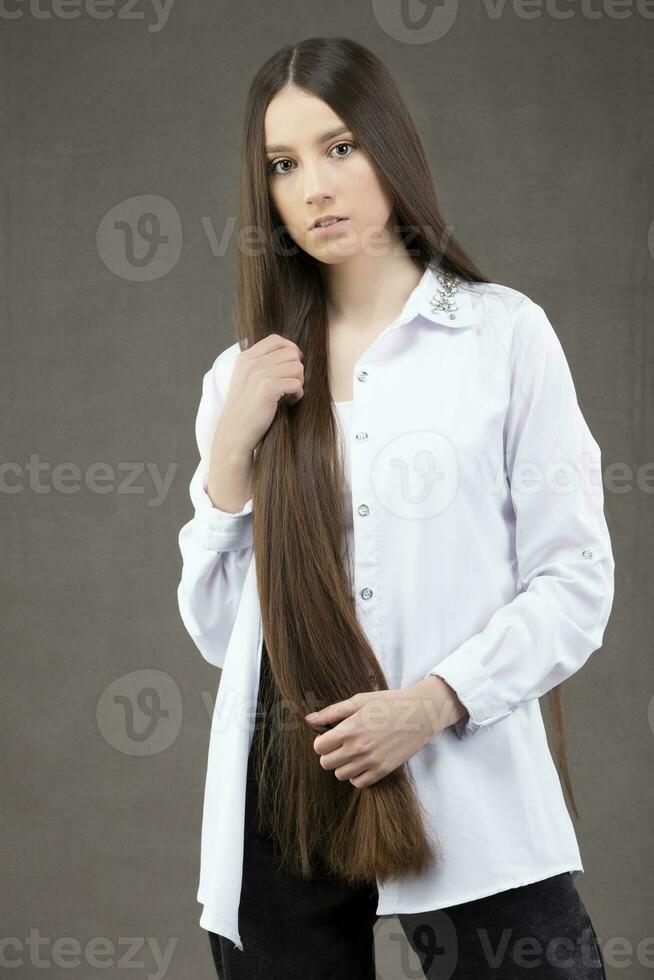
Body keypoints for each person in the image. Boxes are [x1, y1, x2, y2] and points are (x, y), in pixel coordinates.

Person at [176, 36, 614, 979]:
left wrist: (432, 704)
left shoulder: (503, 337)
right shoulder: (241, 377)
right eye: (283, 166)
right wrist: (227, 459)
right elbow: (223, 638)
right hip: (282, 787)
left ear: (389, 147)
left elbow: (575, 579)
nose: (315, 187)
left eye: (339, 148)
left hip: (462, 764)